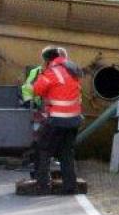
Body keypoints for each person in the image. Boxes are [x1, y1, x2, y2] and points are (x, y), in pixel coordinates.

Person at [31, 46, 83, 195]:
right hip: (74, 119)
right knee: (66, 152)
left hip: (57, 119)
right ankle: (70, 187)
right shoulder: (72, 70)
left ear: (47, 60)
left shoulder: (51, 72)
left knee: (43, 149)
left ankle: (43, 186)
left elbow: (37, 90)